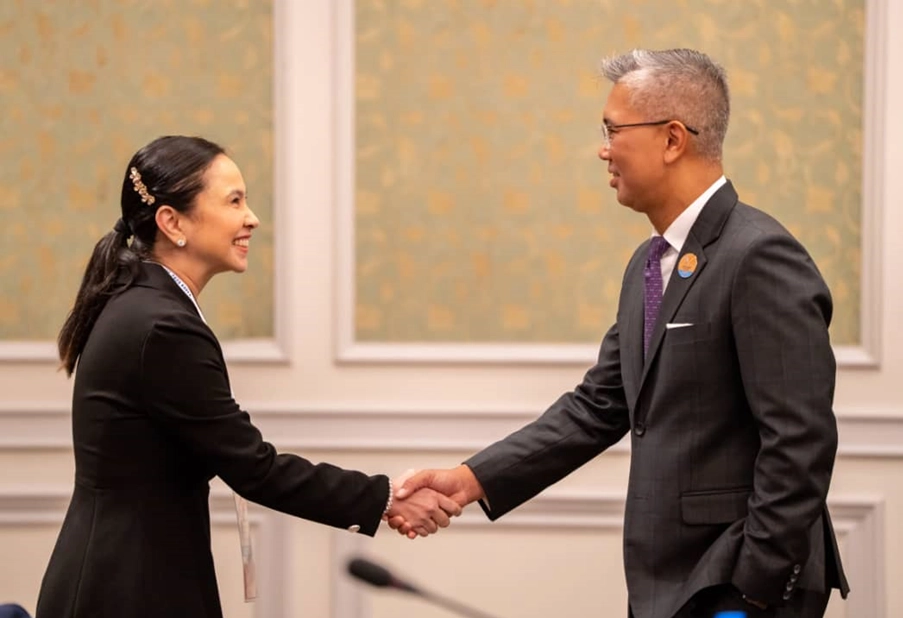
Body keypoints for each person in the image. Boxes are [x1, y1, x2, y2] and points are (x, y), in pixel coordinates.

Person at [390, 49, 850, 618]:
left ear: (673, 139)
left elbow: (799, 444)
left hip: (736, 583)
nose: (602, 149)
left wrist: (752, 589)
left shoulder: (758, 255)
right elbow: (599, 405)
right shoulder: (648, 262)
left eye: (612, 130)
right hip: (667, 582)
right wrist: (469, 480)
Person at [37, 136, 460, 618]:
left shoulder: (144, 304)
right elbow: (253, 467)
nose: (251, 218)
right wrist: (385, 498)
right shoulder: (162, 325)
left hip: (124, 574)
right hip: (129, 588)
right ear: (172, 222)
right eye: (234, 201)